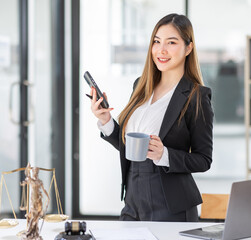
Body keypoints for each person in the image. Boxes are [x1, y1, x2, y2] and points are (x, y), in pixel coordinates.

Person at [90, 13, 213, 222]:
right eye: (156, 42)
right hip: (133, 200)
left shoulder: (196, 96)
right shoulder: (141, 85)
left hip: (171, 205)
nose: (161, 50)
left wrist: (163, 154)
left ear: (188, 48)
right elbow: (129, 145)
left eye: (171, 42)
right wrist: (106, 121)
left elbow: (203, 160)